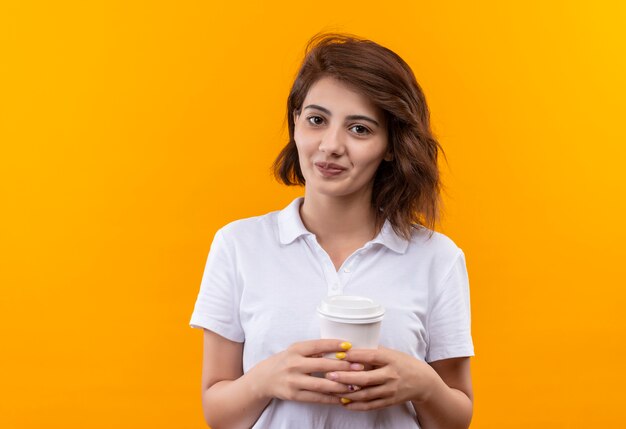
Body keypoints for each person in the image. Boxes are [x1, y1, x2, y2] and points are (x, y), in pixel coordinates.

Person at [189, 32, 475, 429]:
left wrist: (423, 385)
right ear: (295, 123)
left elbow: (456, 418)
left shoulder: (437, 258)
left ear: (391, 145)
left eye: (359, 129)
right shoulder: (238, 246)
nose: (330, 145)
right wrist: (265, 379)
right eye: (317, 120)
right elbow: (217, 414)